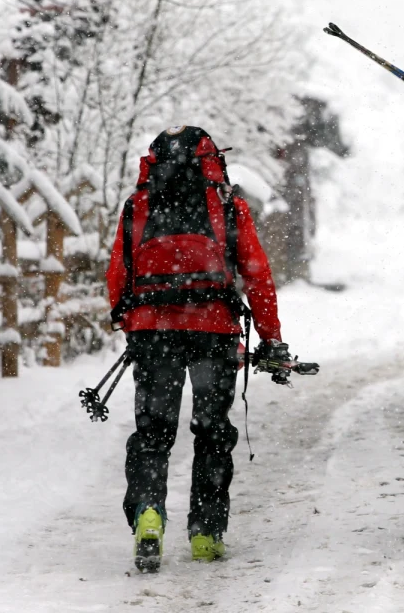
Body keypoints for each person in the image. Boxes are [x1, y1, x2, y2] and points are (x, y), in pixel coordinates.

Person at [106, 125, 292, 572]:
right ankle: (206, 531)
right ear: (214, 162)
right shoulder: (228, 204)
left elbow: (119, 268)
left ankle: (149, 514)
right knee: (211, 431)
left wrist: (126, 318)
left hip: (153, 330)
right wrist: (271, 338)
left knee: (153, 432)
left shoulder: (138, 205)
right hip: (214, 329)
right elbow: (257, 274)